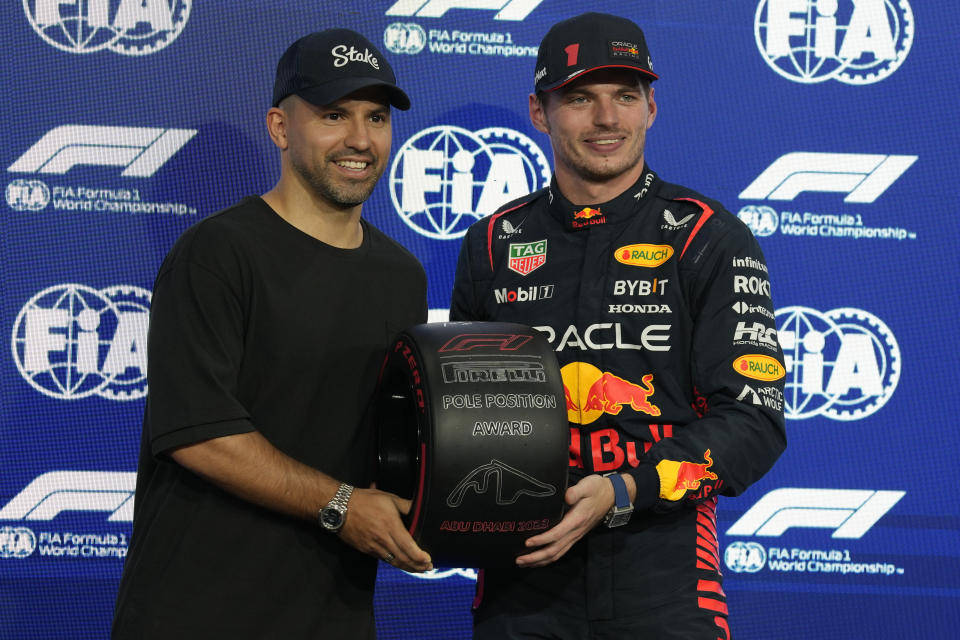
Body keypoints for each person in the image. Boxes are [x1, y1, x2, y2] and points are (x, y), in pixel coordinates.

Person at [450, 12, 786, 640]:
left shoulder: (706, 236)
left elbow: (753, 420)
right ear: (539, 111)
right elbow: (468, 417)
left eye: (624, 97)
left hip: (664, 574)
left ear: (651, 109)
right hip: (523, 577)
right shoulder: (494, 241)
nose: (607, 119)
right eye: (580, 98)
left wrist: (626, 489)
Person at [112, 28, 432, 639]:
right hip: (196, 612)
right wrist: (341, 507)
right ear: (281, 128)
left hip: (331, 613)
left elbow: (397, 440)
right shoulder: (218, 252)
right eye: (334, 115)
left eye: (377, 117)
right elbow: (199, 434)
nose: (360, 140)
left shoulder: (402, 277)